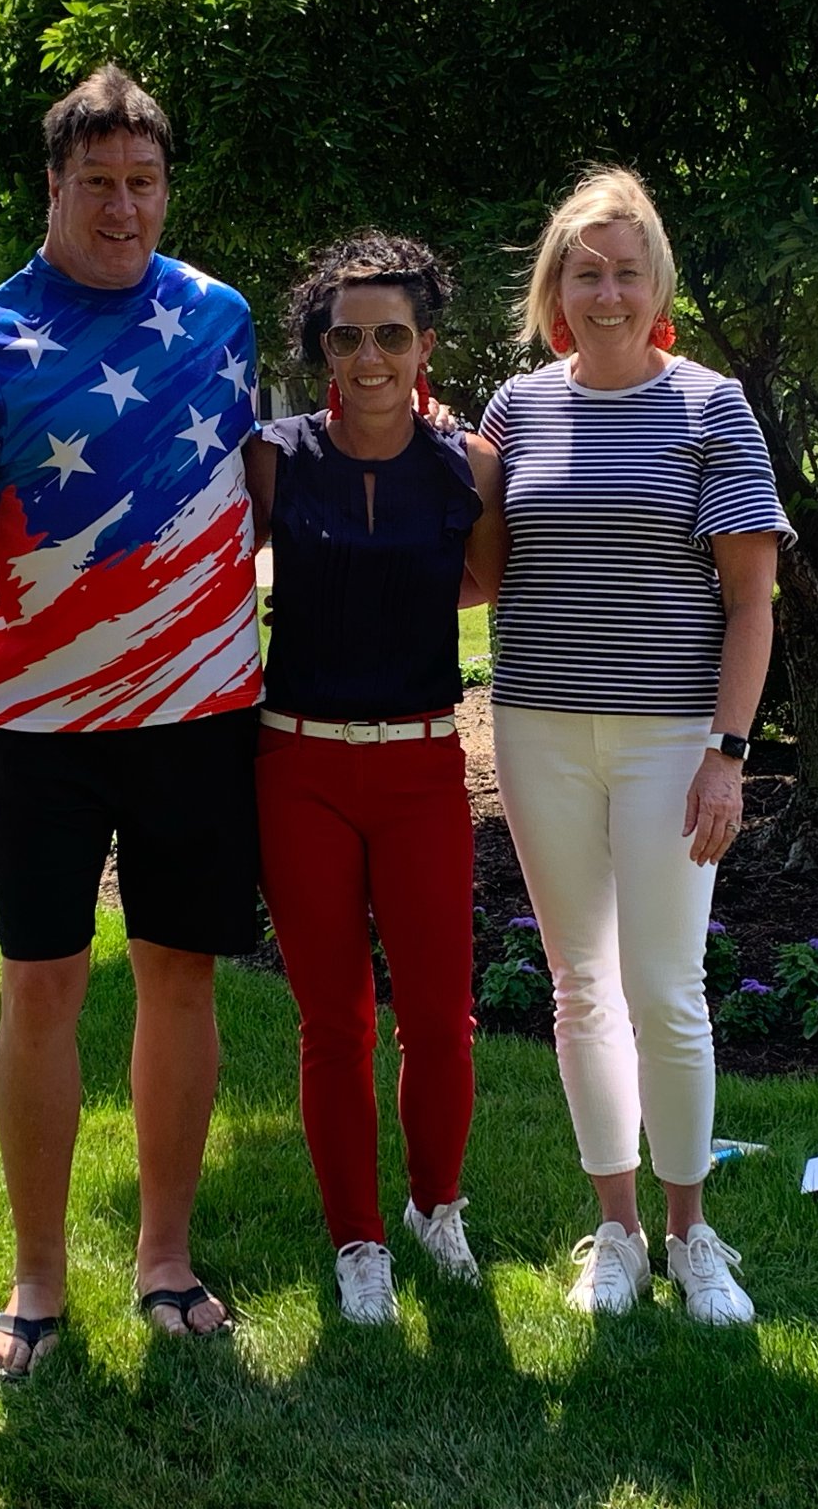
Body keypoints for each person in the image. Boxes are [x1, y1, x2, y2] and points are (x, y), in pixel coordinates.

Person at [0, 63, 264, 1378]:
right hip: (38, 729)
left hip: (202, 714)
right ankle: (38, 1280)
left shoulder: (223, 320)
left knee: (180, 974)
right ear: (54, 185)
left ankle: (165, 1256)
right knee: (42, 986)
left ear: (168, 187)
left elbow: (251, 493)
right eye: (97, 183)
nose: (123, 208)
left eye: (144, 182)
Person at [480, 167, 795, 1324]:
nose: (603, 292)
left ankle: (690, 1231)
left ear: (655, 281)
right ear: (553, 285)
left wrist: (729, 750)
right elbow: (479, 567)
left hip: (672, 737)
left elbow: (751, 601)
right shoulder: (515, 411)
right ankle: (612, 1230)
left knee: (667, 987)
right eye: (583, 269)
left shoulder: (710, 407)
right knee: (578, 986)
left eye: (625, 271)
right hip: (537, 727)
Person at [243, 234, 507, 1324]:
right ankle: (357, 1239)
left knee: (441, 1017)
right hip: (295, 763)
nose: (366, 356)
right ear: (318, 348)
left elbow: (478, 586)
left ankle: (432, 1209)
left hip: (418, 767)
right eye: (344, 336)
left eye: (389, 335)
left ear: (425, 345)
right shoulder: (273, 456)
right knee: (334, 1022)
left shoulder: (468, 467)